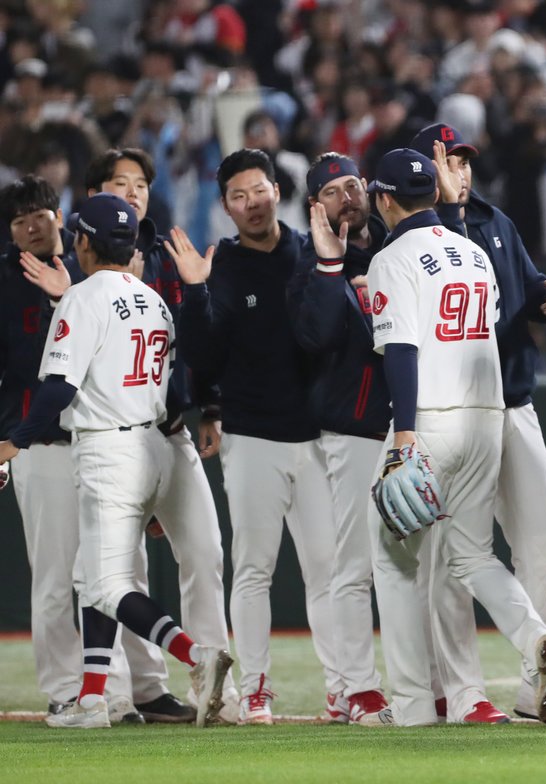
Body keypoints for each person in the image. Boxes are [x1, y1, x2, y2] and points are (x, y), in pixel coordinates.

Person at [0, 193, 233, 729]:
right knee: (93, 575)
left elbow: (58, 391)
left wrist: (16, 440)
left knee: (105, 585)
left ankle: (196, 658)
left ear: (82, 242)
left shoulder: (83, 299)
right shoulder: (153, 299)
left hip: (110, 447)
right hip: (156, 445)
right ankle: (90, 701)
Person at [364, 148, 546, 728]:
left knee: (394, 559)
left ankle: (410, 707)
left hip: (428, 418)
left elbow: (401, 350)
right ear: (433, 193)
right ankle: (534, 638)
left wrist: (404, 437)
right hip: (487, 417)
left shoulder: (393, 256)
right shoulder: (474, 253)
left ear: (384, 199)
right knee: (473, 555)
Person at [406, 122, 546, 725]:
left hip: (512, 403)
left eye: (463, 160)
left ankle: (538, 681)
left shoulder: (497, 223)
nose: (457, 171)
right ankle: (465, 693)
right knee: (451, 559)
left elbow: (518, 294)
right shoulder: (409, 239)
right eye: (445, 161)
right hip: (443, 413)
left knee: (542, 543)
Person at [168, 148, 342, 724]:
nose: (251, 203)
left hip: (317, 436)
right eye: (238, 196)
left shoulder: (309, 249)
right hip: (250, 435)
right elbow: (201, 355)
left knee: (327, 569)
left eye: (259, 189)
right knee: (254, 568)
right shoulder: (222, 266)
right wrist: (194, 292)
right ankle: (257, 686)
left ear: (278, 188)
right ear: (225, 206)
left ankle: (343, 688)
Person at [287, 152, 393, 725]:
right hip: (350, 432)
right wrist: (331, 267)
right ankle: (359, 688)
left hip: (409, 429)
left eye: (353, 184)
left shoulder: (399, 248)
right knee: (353, 567)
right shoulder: (307, 266)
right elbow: (315, 337)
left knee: (416, 567)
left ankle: (423, 682)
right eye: (332, 191)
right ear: (315, 207)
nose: (346, 196)